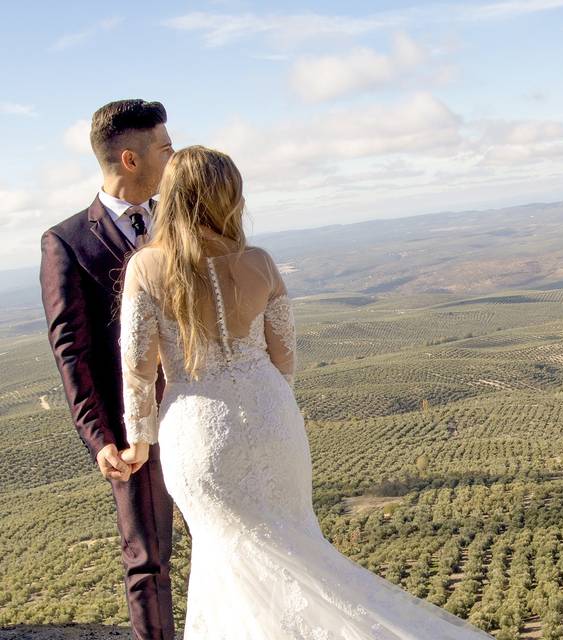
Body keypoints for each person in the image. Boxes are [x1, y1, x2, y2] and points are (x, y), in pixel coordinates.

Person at [115, 145, 493, 639]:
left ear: (174, 195)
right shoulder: (261, 263)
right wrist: (271, 403)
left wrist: (138, 440)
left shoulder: (147, 267)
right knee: (297, 547)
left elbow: (138, 369)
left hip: (199, 428)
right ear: (230, 196)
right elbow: (284, 355)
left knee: (227, 555)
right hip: (274, 418)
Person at [39, 99, 176, 640]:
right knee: (148, 559)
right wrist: (99, 437)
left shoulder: (183, 220)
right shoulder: (66, 243)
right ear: (131, 158)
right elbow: (70, 352)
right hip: (130, 429)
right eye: (165, 147)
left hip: (204, 407)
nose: (174, 156)